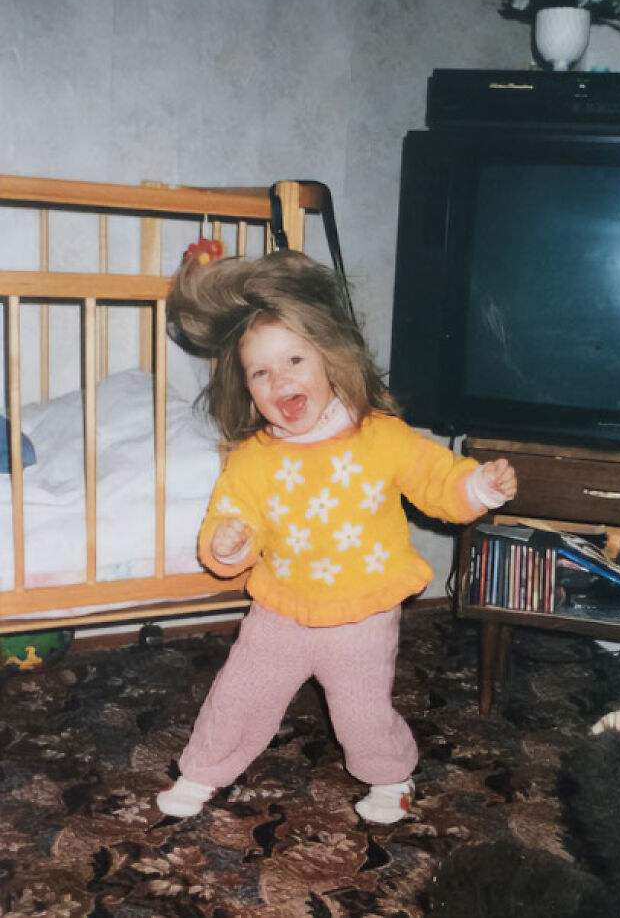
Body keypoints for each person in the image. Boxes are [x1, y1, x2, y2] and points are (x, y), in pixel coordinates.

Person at [157, 249, 517, 823]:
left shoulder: (380, 437)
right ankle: (203, 771)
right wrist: (226, 544)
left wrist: (478, 487)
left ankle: (391, 777)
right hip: (282, 607)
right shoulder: (251, 459)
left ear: (330, 359)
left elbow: (436, 482)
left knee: (360, 711)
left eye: (295, 359)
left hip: (361, 610)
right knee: (238, 693)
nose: (281, 380)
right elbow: (229, 519)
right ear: (247, 389)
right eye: (261, 372)